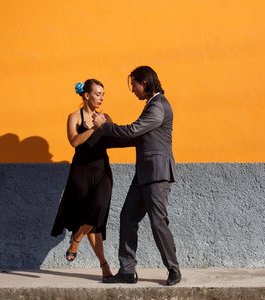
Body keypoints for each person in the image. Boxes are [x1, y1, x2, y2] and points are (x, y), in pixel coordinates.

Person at [89, 66, 181, 286]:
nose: (133, 91)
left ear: (145, 83)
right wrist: (102, 139)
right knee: (127, 218)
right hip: (143, 175)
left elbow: (132, 131)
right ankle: (127, 270)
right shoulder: (151, 106)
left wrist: (106, 125)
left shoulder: (158, 107)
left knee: (158, 223)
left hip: (157, 174)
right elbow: (136, 138)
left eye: (135, 86)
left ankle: (174, 270)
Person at [51, 79, 114, 283]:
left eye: (103, 94)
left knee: (98, 208)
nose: (101, 98)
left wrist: (107, 127)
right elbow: (74, 141)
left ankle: (76, 238)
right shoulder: (74, 117)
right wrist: (94, 128)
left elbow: (114, 139)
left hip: (102, 171)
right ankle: (104, 266)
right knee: (92, 222)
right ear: (86, 95)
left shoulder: (105, 117)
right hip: (81, 173)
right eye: (98, 93)